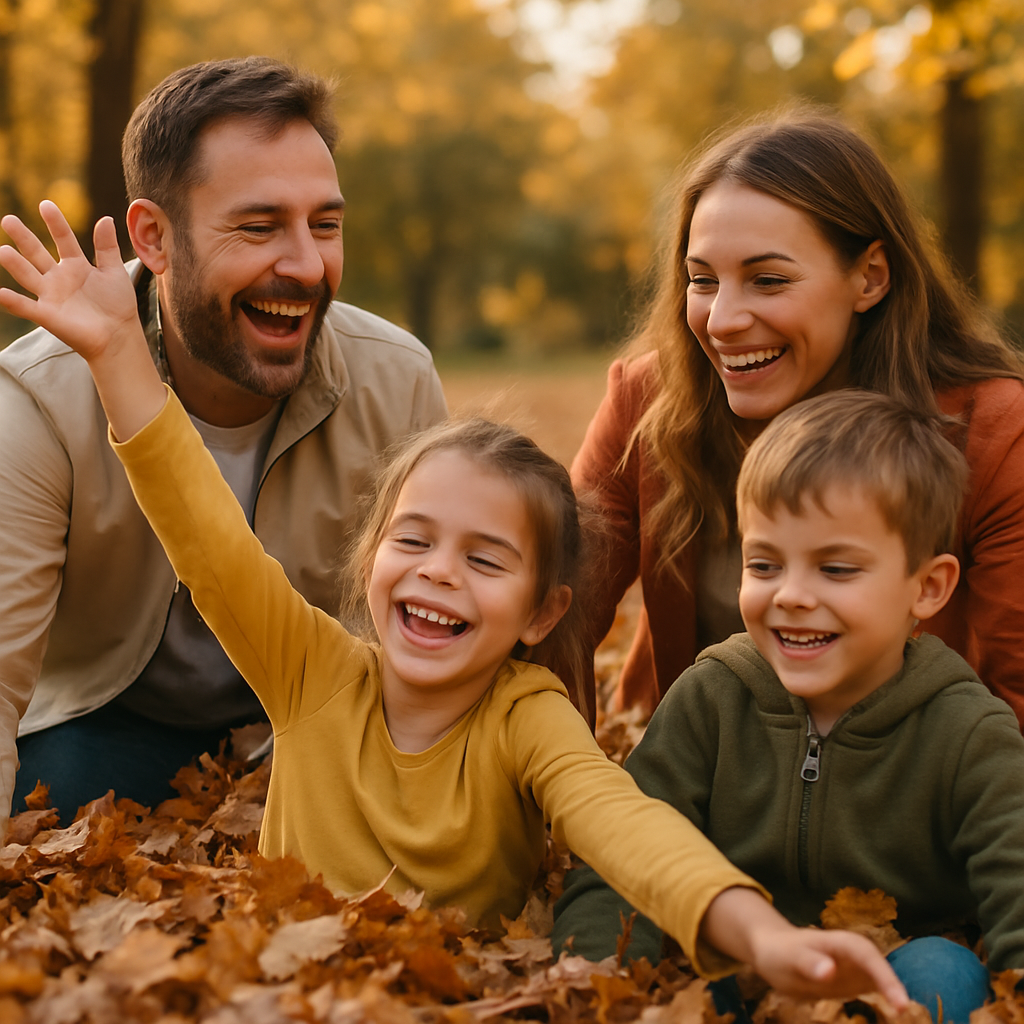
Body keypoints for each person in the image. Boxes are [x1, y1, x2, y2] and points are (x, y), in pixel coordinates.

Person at [0, 209, 910, 1006]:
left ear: (543, 613)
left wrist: (758, 933)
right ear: (368, 563)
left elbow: (620, 823)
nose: (439, 574)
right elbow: (204, 534)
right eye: (414, 541)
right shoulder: (310, 669)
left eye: (485, 559)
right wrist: (121, 355)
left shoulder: (526, 717)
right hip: (279, 991)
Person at [0, 57, 447, 832]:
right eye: (259, 226)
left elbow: (447, 636)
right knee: (51, 794)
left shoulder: (398, 380)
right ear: (155, 237)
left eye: (326, 225)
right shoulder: (38, 397)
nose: (307, 265)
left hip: (314, 724)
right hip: (108, 724)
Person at [554, 390, 1024, 1023]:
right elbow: (627, 847)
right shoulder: (714, 696)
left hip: (897, 967)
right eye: (765, 563)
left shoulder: (967, 729)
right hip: (740, 960)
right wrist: (596, 976)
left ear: (927, 587)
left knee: (944, 973)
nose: (792, 596)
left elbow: (1017, 878)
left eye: (835, 569)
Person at [571, 109, 1024, 727]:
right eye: (702, 280)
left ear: (870, 277)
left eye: (768, 280)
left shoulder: (995, 434)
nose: (722, 319)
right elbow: (552, 618)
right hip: (693, 787)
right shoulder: (649, 404)